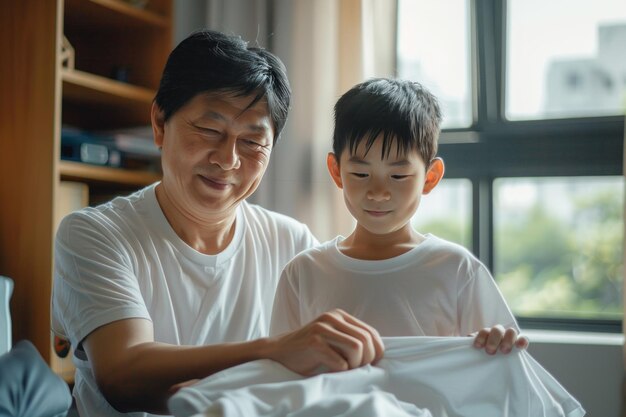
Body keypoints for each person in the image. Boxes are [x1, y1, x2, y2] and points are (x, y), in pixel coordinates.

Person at [51, 30, 385, 417]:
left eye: (252, 142)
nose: (228, 160)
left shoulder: (291, 243)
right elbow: (124, 374)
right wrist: (271, 350)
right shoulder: (94, 234)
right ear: (160, 123)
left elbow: (364, 343)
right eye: (210, 131)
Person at [270, 78, 529, 354]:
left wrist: (498, 343)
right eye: (360, 174)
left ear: (430, 178)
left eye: (398, 175)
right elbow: (279, 373)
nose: (378, 192)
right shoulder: (305, 273)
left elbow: (503, 366)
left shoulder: (456, 269)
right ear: (336, 171)